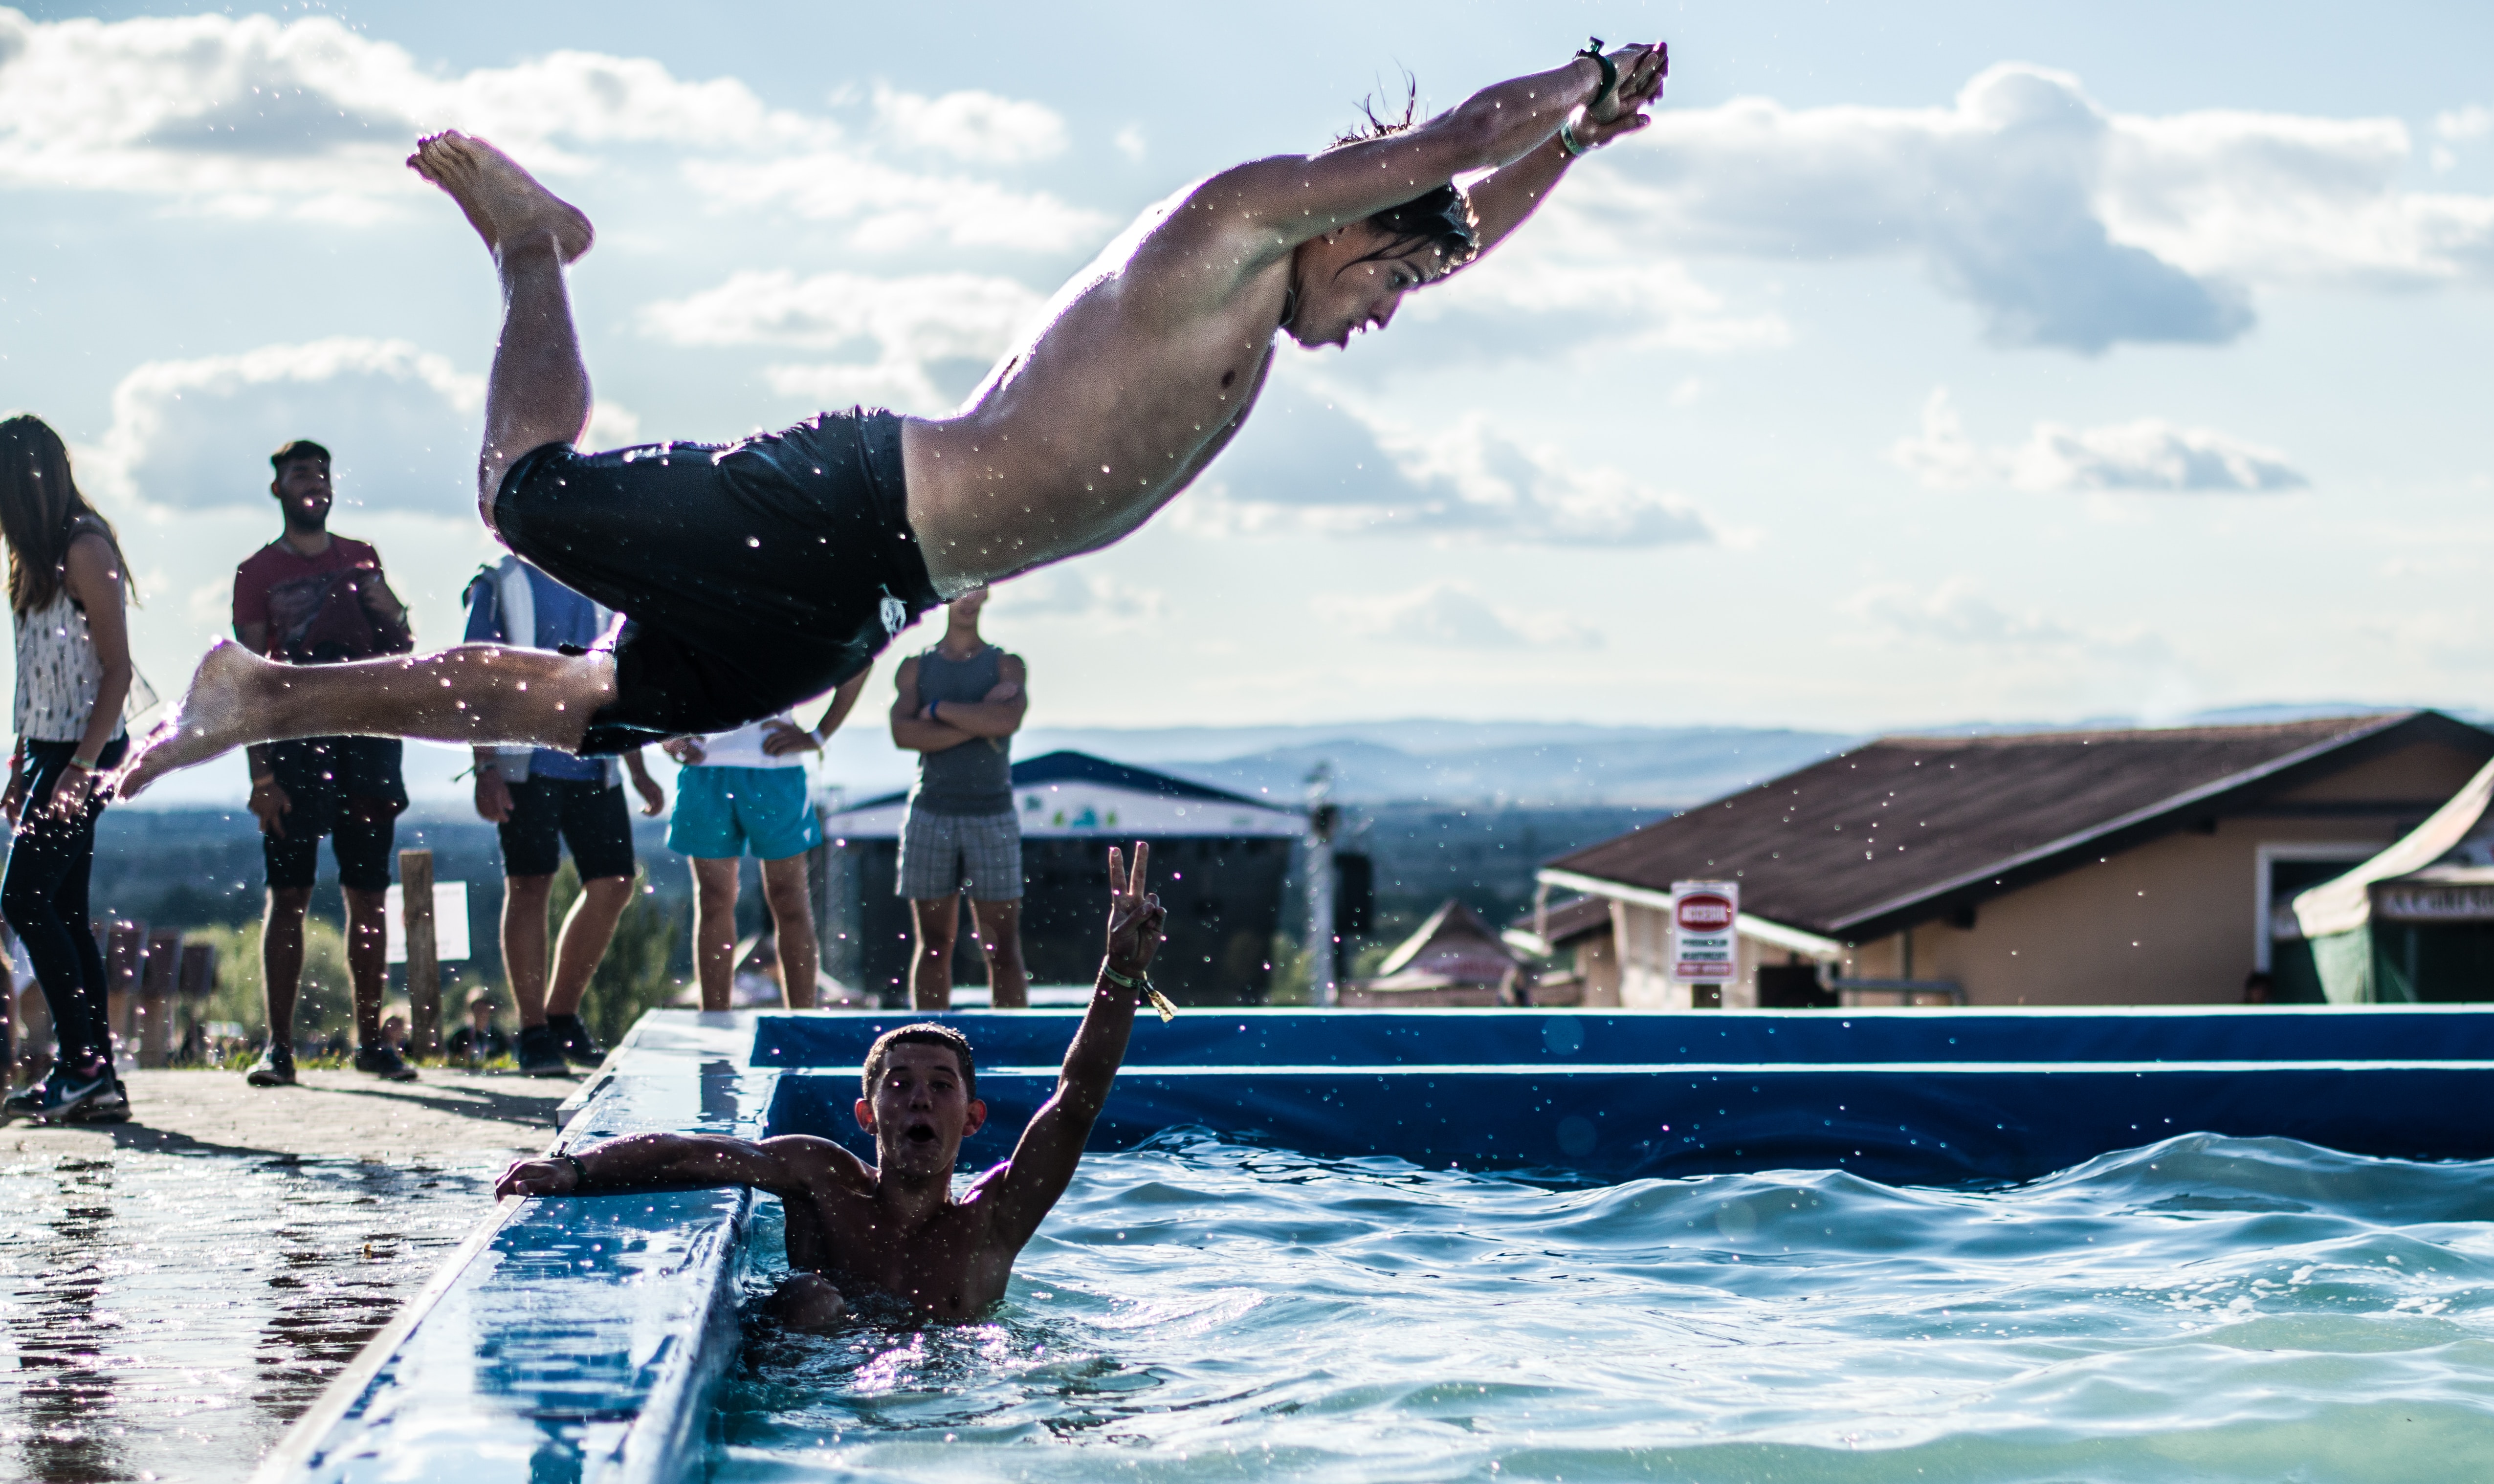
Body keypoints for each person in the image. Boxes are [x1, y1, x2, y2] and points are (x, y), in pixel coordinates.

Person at [115, 43, 1671, 796]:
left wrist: (1582, 146)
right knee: (525, 504)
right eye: (1397, 271)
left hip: (872, 596)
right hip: (847, 503)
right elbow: (1466, 137)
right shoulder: (1234, 230)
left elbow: (1475, 203)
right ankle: (537, 245)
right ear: (1357, 211)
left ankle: (265, 697)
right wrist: (1579, 72)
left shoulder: (1287, 306)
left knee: (592, 710)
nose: (1399, 304)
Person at [494, 843, 1170, 1326]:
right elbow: (695, 1153)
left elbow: (1075, 1102)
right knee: (806, 1300)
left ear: (972, 1118)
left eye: (940, 1087)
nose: (918, 1098)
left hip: (963, 1398)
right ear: (867, 1113)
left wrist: (1117, 978)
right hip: (823, 1400)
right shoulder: (820, 1180)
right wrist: (576, 1168)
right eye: (899, 1084)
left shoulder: (991, 1219)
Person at [234, 439, 419, 1087]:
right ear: (278, 489)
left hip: (367, 739)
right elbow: (250, 682)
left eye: (323, 473)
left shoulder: (362, 557)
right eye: (300, 473)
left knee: (367, 896)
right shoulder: (255, 573)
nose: (314, 481)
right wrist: (261, 777)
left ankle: (372, 1042)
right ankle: (278, 1050)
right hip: (293, 744)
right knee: (289, 896)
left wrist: (388, 608)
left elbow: (402, 646)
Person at [462, 552, 667, 1075]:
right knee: (530, 884)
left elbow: (620, 678)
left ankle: (561, 1017)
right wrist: (484, 766)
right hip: (521, 760)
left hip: (593, 759)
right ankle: (533, 1031)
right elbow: (472, 679)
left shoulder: (597, 575)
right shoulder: (499, 581)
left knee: (615, 881)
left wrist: (639, 767)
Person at [0, 415, 134, 1122]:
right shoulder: (32, 555)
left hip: (89, 746)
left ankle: (80, 1062)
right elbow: (37, 672)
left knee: (20, 899)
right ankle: (98, 1075)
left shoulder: (85, 546)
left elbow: (117, 670)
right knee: (64, 909)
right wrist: (24, 760)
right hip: (49, 747)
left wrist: (80, 767)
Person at [664, 671, 870, 1012]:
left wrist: (819, 734)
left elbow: (860, 660)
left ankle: (802, 1021)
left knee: (789, 899)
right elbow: (651, 662)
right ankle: (715, 1019)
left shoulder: (789, 616)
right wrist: (665, 733)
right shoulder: (695, 615)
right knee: (714, 899)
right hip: (705, 769)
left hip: (774, 771)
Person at [893, 588, 1027, 1009]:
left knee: (1002, 948)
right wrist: (977, 721)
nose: (968, 598)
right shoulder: (915, 666)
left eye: (977, 588)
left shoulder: (1007, 663)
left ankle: (1014, 1049)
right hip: (931, 813)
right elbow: (904, 735)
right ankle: (928, 1041)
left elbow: (1007, 720)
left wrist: (934, 712)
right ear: (942, 593)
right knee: (933, 945)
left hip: (993, 813)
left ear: (988, 593)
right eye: (959, 589)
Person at [447, 984, 512, 1068]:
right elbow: (451, 1062)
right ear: (471, 1009)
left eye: (484, 1007)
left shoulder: (498, 1037)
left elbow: (506, 1061)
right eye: (478, 1008)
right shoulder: (459, 1037)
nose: (481, 1012)